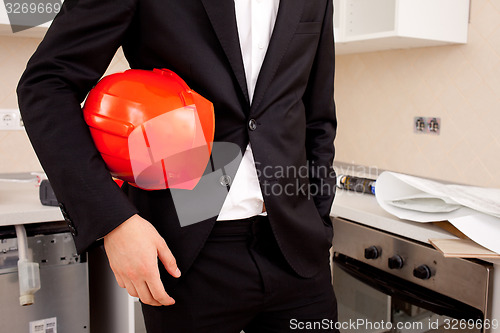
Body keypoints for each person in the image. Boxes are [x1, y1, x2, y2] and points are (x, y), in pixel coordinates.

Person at [17, 0, 338, 332]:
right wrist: (114, 223)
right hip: (186, 253)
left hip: (297, 250)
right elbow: (45, 85)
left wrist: (319, 219)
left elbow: (318, 117)